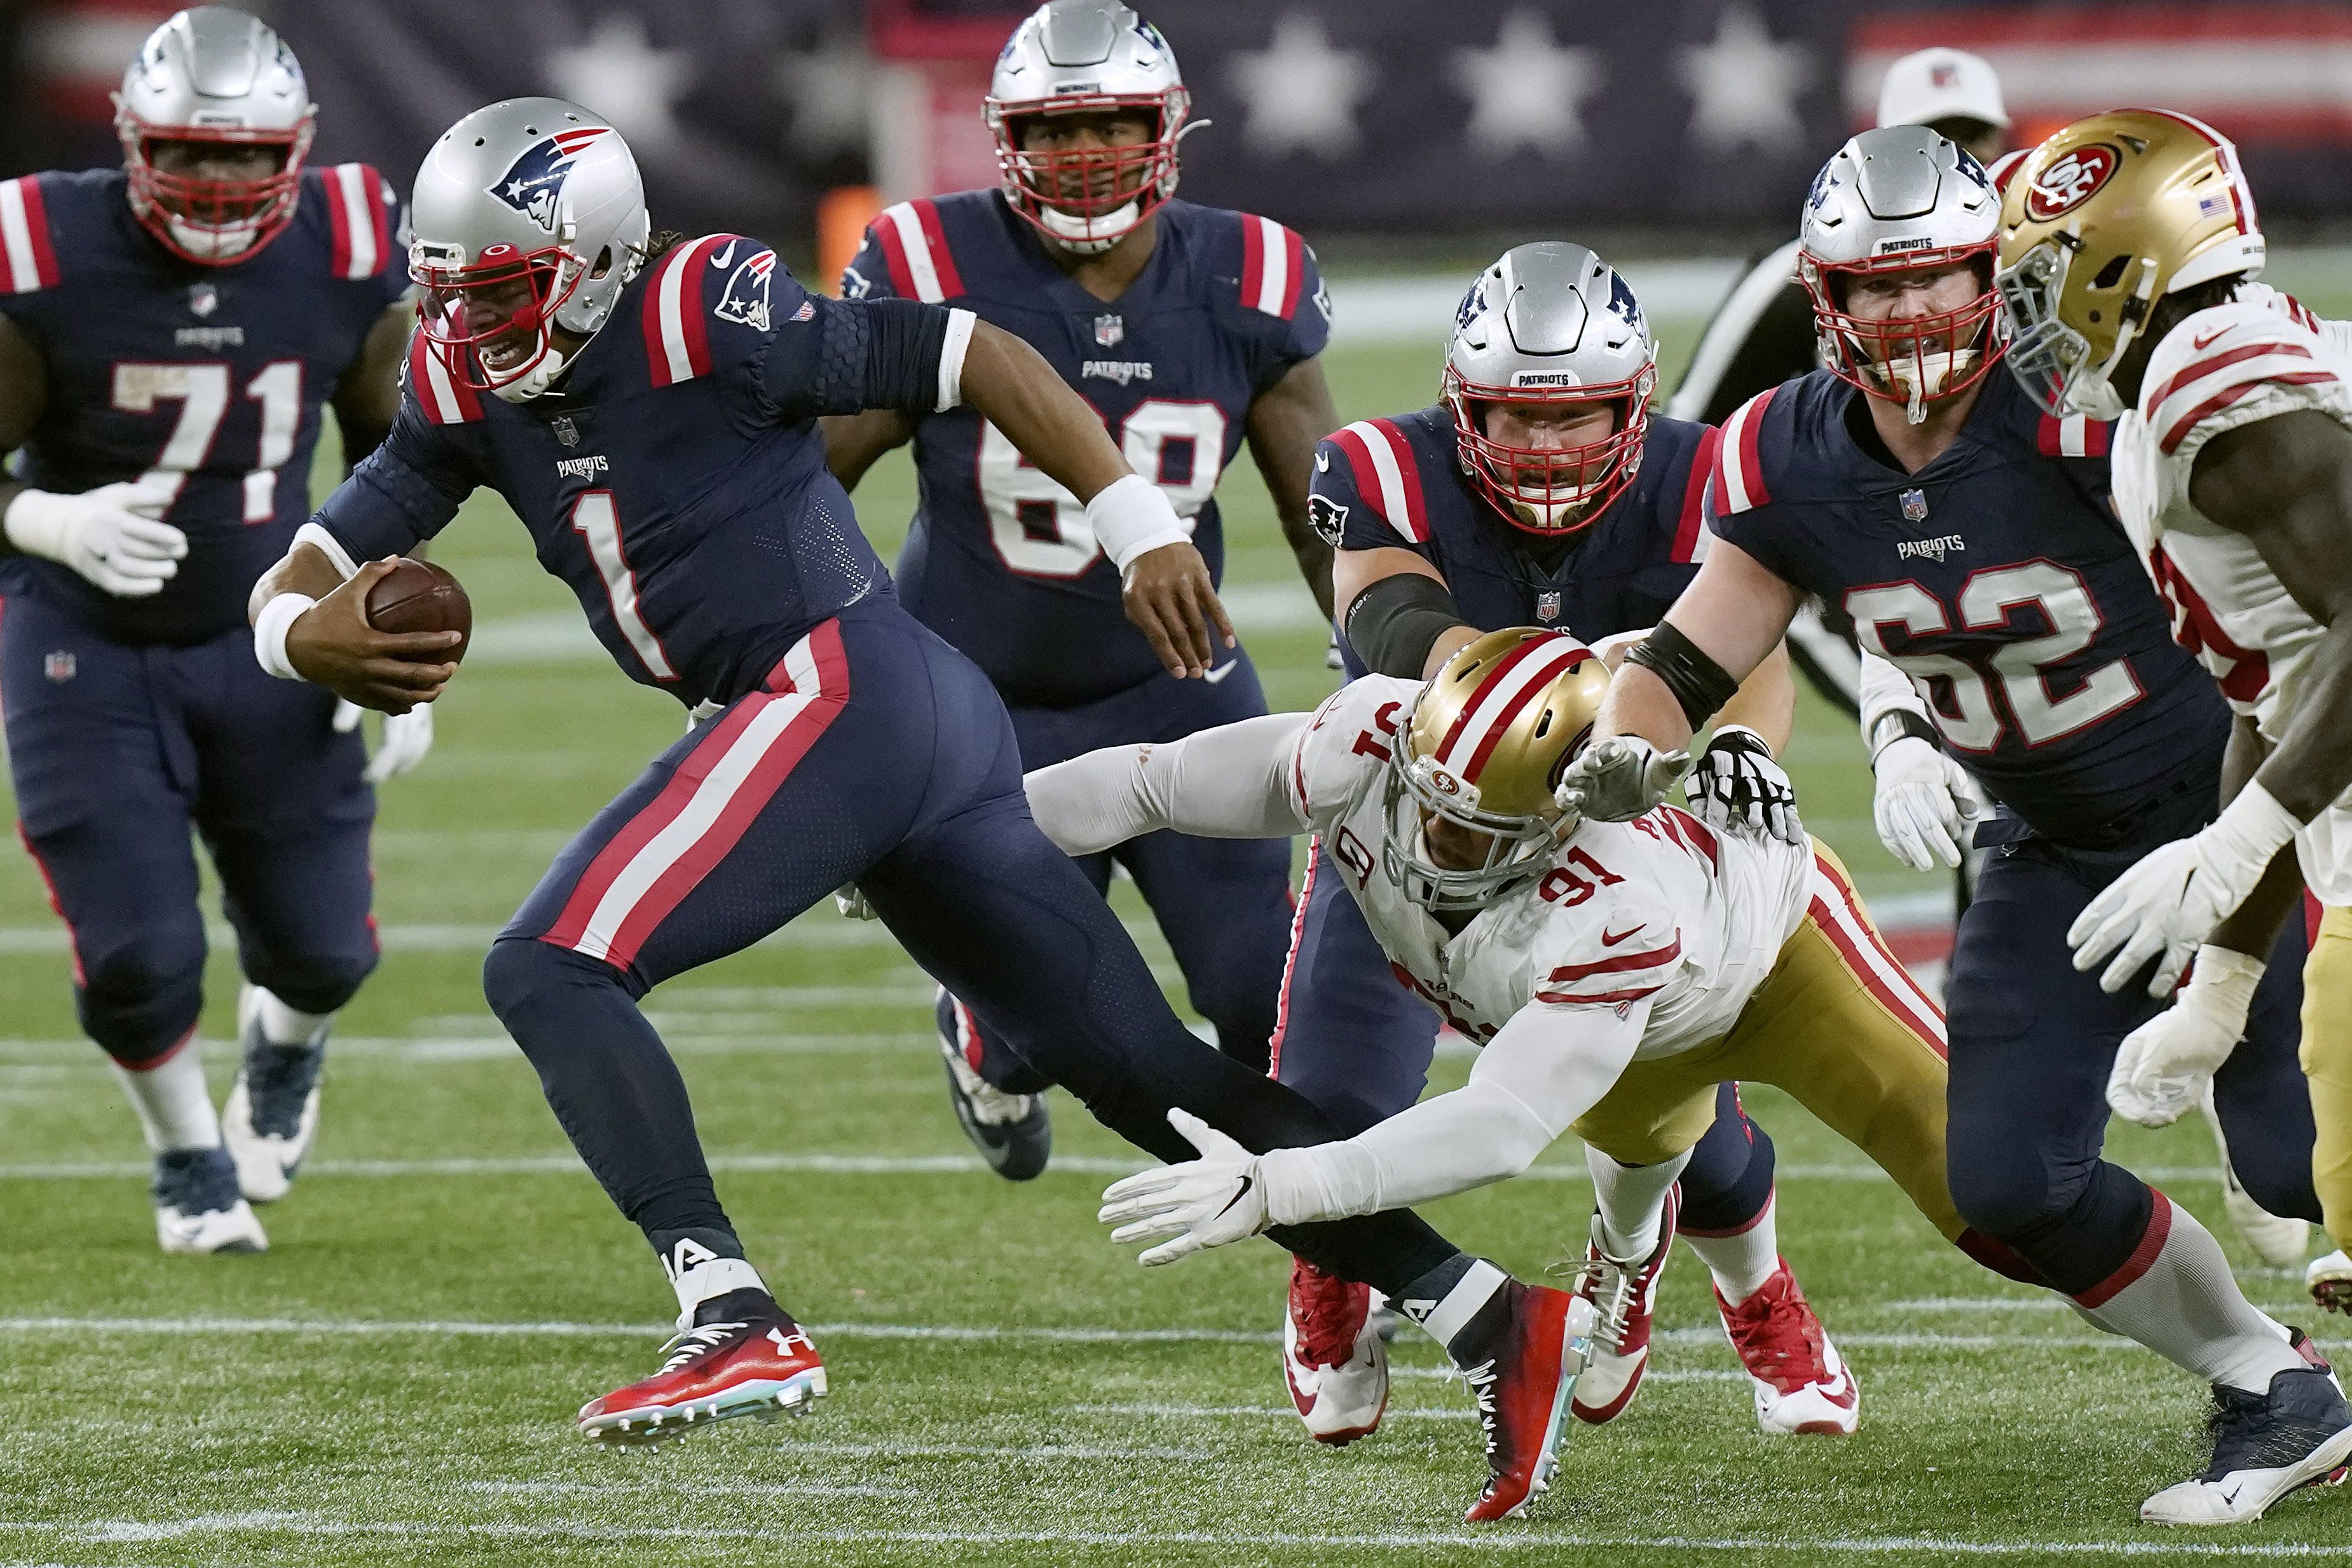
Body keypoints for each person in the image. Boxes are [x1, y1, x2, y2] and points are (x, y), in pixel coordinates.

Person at [251, 96, 1587, 1522]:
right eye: (447, 294)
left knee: (549, 964)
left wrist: (1130, 519)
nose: (467, 326)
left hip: (831, 688)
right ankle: (1491, 1314)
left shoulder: (707, 305)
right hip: (906, 712)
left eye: (499, 291)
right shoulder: (465, 388)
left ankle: (731, 1310)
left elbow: (972, 350)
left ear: (591, 260)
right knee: (1145, 1073)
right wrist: (299, 639)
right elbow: (314, 555)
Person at [1564, 124, 2342, 1526]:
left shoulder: (2089, 404)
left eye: (1934, 278)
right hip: (2042, 848)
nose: (1906, 313)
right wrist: (1618, 755)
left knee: (2302, 1170)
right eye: (1871, 286)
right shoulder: (1781, 449)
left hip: (2226, 822)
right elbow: (1691, 654)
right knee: (2001, 1183)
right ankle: (2272, 1388)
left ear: (2000, 275)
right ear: (1822, 299)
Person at [1026, 630, 2045, 1445]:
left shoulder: (1610, 894)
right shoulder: (1375, 738)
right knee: (1640, 1153)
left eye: (1469, 831)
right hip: (1617, 1016)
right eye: (1426, 803)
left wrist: (1275, 1189)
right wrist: (958, 835)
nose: (1432, 840)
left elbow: (1505, 1123)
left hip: (1772, 952)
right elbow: (1150, 782)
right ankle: (1628, 1253)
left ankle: (2209, 1354)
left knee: (2002, 1190)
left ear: (1560, 819)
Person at [1276, 242, 1845, 1447]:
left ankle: (1758, 1294)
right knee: (1327, 1103)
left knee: (1699, 1132)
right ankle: (1331, 1275)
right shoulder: (1387, 465)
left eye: (1578, 413)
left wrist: (1736, 750)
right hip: (1413, 845)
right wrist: (1532, 703)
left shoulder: (1711, 473)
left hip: (1606, 855)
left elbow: (1755, 658)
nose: (1546, 447)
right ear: (1460, 406)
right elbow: (1386, 613)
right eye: (1513, 417)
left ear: (1632, 403)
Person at [825, 0, 1337, 1178]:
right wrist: (827, 673)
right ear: (1006, 140)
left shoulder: (1249, 272)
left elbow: (1323, 518)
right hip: (979, 702)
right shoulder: (929, 262)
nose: (1085, 155)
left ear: (1166, 130)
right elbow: (815, 478)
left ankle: (1328, 1270)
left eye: (1110, 124)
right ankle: (983, 1042)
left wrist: (1393, 653)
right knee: (1039, 1029)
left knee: (1267, 1000)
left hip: (1177, 683)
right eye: (1055, 132)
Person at [0, 6, 418, 1253]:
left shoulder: (347, 238)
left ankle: (283, 1050)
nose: (222, 182)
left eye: (247, 156)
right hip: (83, 639)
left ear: (295, 151)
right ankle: (187, 1149)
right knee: (137, 953)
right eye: (191, 153)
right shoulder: (42, 242)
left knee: (325, 953)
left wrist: (386, 627)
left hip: (267, 631)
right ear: (131, 142)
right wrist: (45, 523)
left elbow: (398, 454)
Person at [2000, 112, 2352, 1349]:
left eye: (2038, 275)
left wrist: (2233, 840)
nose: (2021, 317)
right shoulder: (2190, 380)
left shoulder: (2219, 390)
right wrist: (2218, 985)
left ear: (2119, 259)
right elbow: (2283, 688)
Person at [1672, 46, 2014, 719]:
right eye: (1929, 137)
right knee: (1931, 727)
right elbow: (1688, 429)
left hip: (1997, 524)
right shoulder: (1794, 280)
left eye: (1967, 137)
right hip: (1842, 533)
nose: (1950, 152)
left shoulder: (2029, 258)